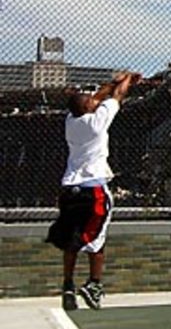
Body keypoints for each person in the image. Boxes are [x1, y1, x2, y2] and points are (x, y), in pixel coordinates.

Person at [46, 70, 142, 311]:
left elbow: (97, 98)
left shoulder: (71, 121)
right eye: (90, 101)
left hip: (69, 189)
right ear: (89, 108)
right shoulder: (97, 122)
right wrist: (127, 79)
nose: (94, 99)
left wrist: (111, 84)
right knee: (97, 242)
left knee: (72, 240)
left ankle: (68, 284)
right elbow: (117, 96)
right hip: (94, 189)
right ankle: (94, 284)